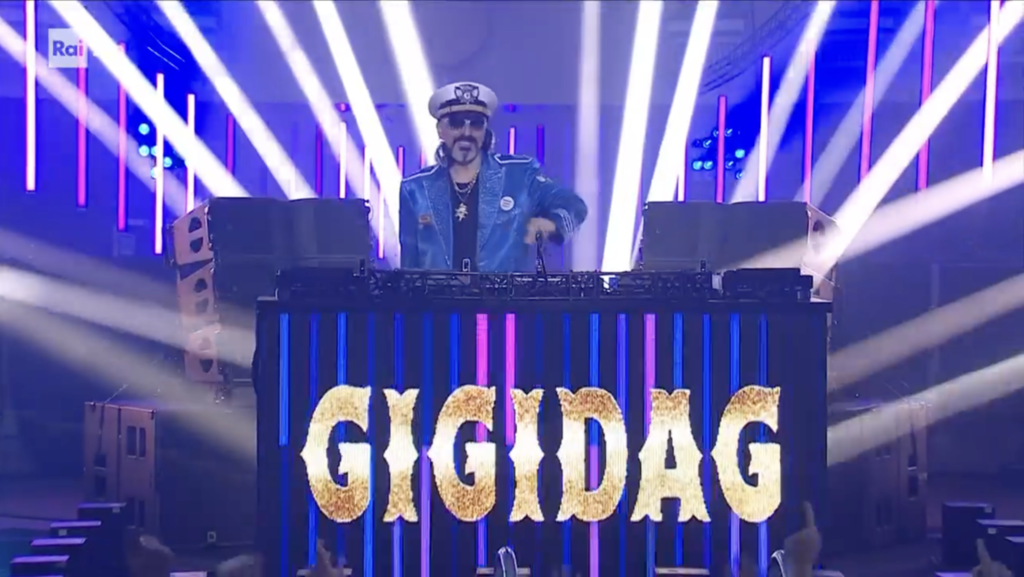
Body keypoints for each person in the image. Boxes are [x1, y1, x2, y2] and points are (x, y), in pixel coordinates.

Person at [399, 81, 587, 272]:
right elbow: (408, 267)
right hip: (437, 292)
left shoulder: (519, 175)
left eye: (476, 124)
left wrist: (552, 224)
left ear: (485, 130)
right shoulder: (415, 189)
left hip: (503, 292)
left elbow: (573, 205)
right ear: (441, 130)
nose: (466, 133)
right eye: (456, 124)